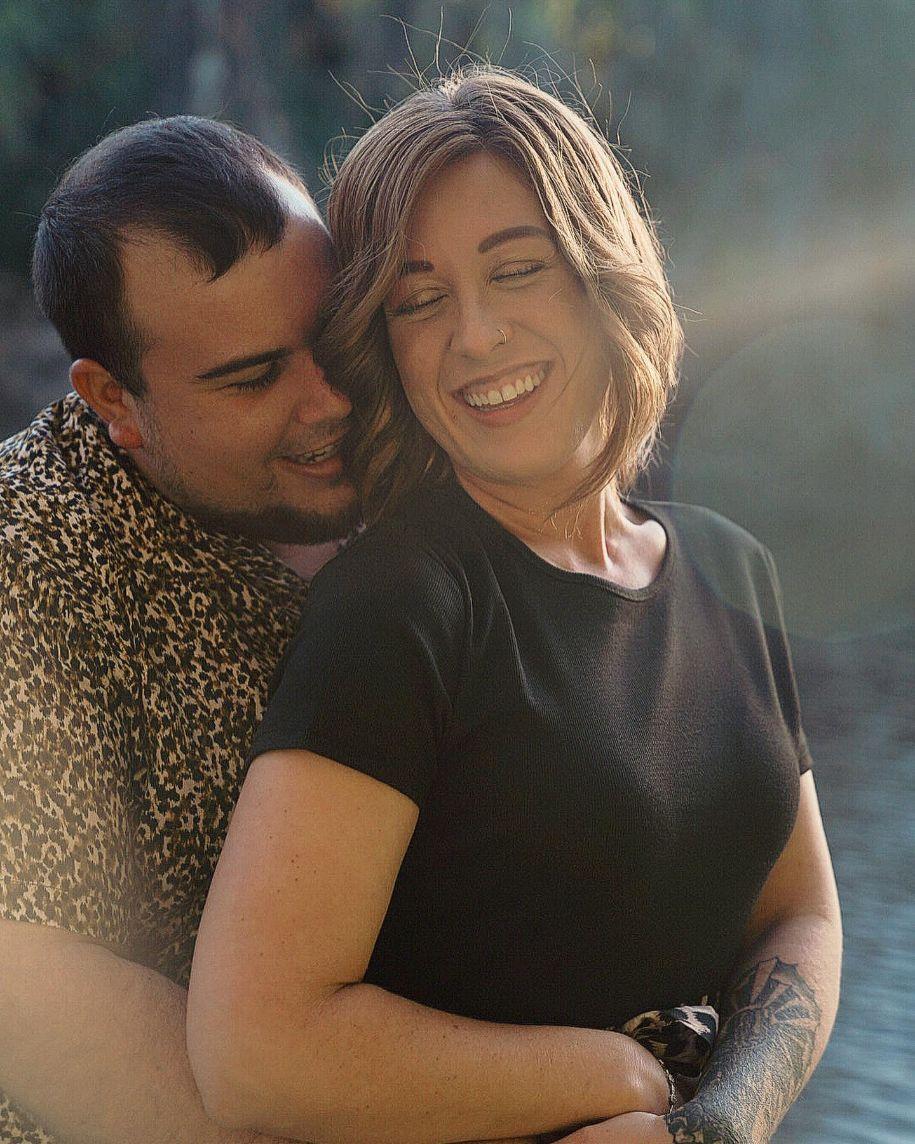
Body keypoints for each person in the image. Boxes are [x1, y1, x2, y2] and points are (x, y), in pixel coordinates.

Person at [188, 67, 843, 1144]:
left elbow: (800, 915)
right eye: (420, 299)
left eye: (517, 270)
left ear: (601, 273)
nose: (477, 335)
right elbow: (253, 1049)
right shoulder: (400, 604)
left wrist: (714, 1125)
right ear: (384, 341)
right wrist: (615, 1078)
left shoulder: (731, 570)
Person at [0, 117, 359, 1143]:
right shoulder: (28, 566)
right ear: (113, 398)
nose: (329, 402)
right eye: (252, 378)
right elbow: (28, 987)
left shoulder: (423, 455)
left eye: (334, 339)